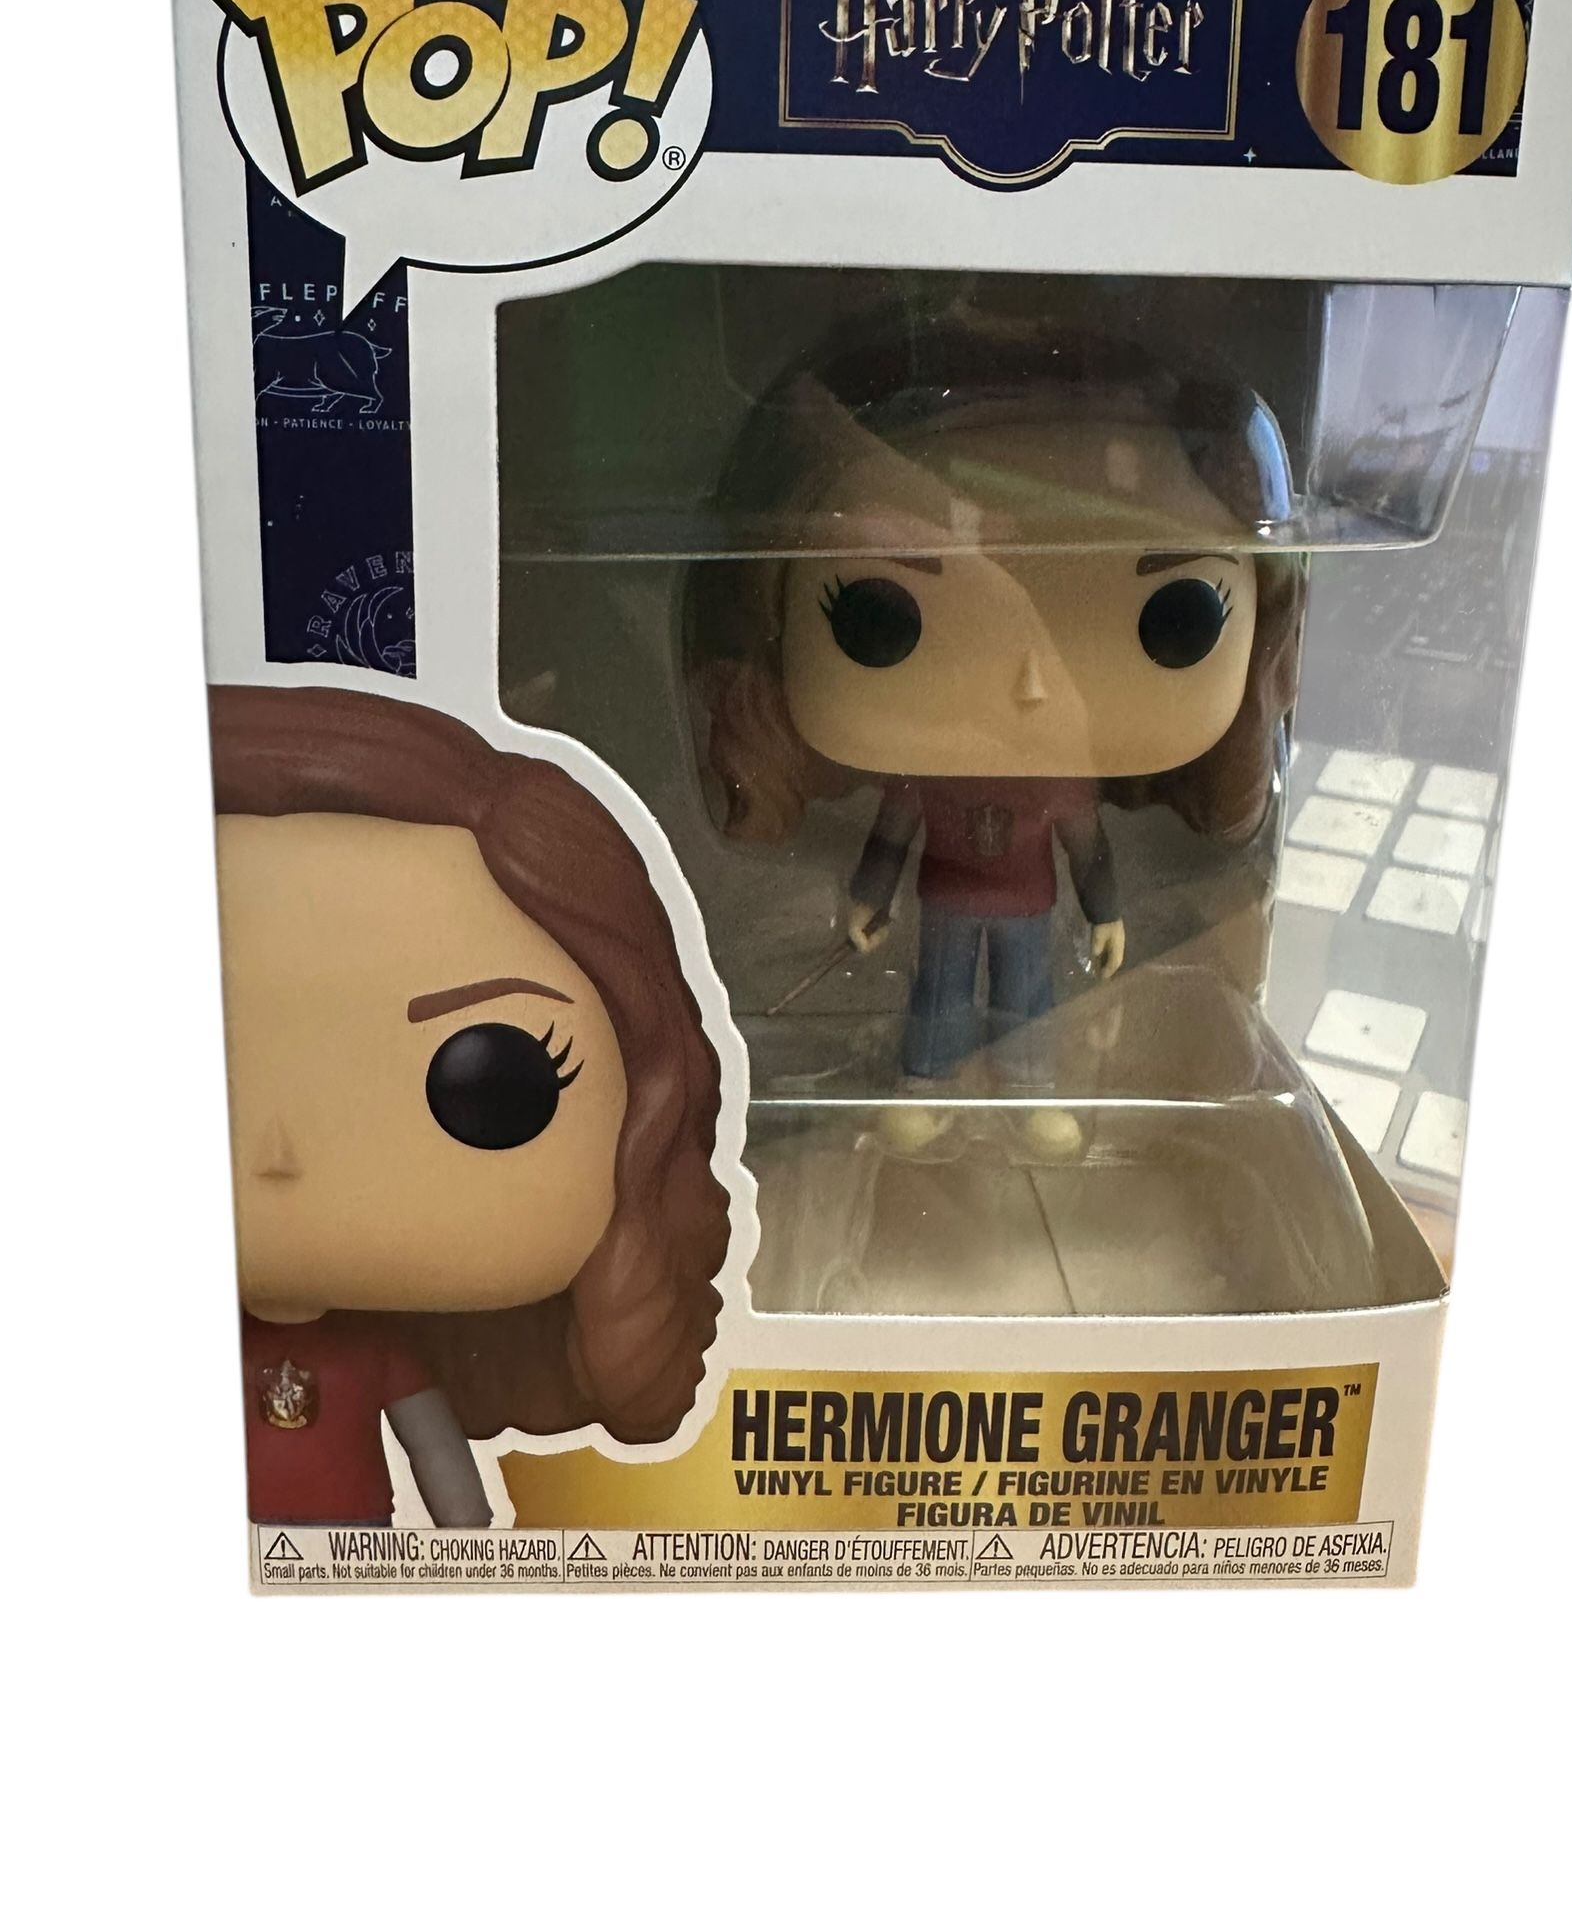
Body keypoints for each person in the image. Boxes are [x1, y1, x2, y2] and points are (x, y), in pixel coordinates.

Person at [690, 311, 1303, 1152]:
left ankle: (1029, 1089)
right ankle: (928, 1082)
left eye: (1178, 617)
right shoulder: (929, 780)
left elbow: (1087, 847)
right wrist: (868, 896)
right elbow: (893, 833)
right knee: (940, 992)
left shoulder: (1062, 782)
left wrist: (1105, 914)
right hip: (947, 900)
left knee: (1029, 999)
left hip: (1027, 906)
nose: (1033, 683)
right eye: (879, 617)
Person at [212, 684, 729, 1527]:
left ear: (647, 1106)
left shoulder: (377, 1351)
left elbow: (441, 1461)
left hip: (360, 1558)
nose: (278, 1153)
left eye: (491, 1083)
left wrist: (470, 1549)